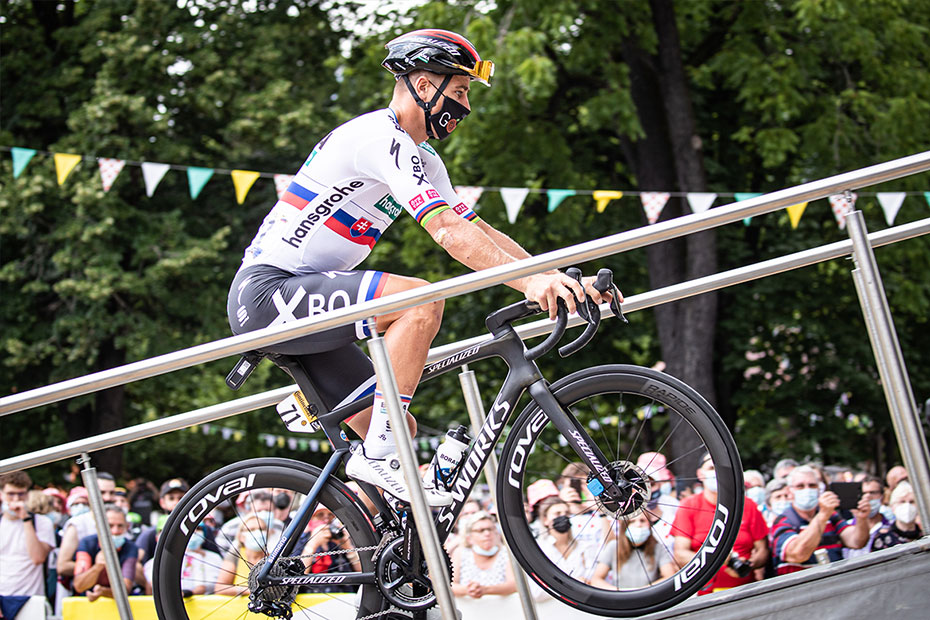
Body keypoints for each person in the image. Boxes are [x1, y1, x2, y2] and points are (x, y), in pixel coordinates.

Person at [226, 28, 618, 507]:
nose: (466, 107)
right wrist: (533, 282)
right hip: (268, 294)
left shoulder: (422, 158)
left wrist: (558, 278)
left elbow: (479, 231)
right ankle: (378, 459)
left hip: (303, 301)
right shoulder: (379, 137)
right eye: (459, 91)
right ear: (424, 86)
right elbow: (447, 233)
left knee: (397, 427)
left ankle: (382, 555)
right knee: (421, 301)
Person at [672, 453, 769, 594]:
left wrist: (750, 563)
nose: (716, 473)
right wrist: (718, 559)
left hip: (746, 591)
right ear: (700, 473)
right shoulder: (688, 506)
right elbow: (680, 554)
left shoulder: (747, 505)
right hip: (706, 596)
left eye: (720, 469)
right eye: (711, 468)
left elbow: (763, 550)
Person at [769, 465, 870, 574]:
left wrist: (861, 519)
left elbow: (857, 542)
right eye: (800, 486)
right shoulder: (783, 521)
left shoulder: (832, 516)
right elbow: (797, 554)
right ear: (790, 491)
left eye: (812, 485)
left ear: (819, 488)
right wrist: (822, 516)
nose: (807, 490)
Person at [0, 471, 56, 597]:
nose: (16, 499)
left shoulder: (41, 522)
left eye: (21, 494)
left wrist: (25, 519)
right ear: (1, 495)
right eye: (11, 494)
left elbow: (38, 558)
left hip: (32, 597)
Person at [591, 512, 675, 589]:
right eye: (632, 521)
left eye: (642, 521)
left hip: (648, 598)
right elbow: (596, 579)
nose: (638, 524)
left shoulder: (658, 548)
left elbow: (669, 577)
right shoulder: (614, 546)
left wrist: (644, 591)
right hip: (620, 599)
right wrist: (618, 592)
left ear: (649, 524)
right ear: (625, 525)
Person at [72, 506, 139, 602]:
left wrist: (103, 592)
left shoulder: (130, 548)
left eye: (120, 526)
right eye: (110, 526)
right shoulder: (87, 543)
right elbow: (79, 585)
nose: (115, 531)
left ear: (127, 526)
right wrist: (98, 567)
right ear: (99, 527)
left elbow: (126, 588)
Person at [451, 511, 516, 603]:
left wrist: (485, 590)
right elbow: (450, 585)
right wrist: (468, 590)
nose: (487, 534)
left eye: (490, 529)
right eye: (481, 530)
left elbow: (515, 585)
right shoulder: (460, 553)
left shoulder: (507, 553)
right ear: (469, 538)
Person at [534, 497, 598, 583]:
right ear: (545, 520)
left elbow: (593, 578)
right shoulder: (540, 548)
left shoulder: (584, 546)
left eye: (567, 513)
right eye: (557, 513)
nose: (563, 516)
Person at [136, 478, 190, 563]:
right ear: (162, 502)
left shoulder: (200, 529)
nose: (177, 502)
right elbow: (137, 561)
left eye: (181, 498)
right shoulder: (149, 534)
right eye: (171, 498)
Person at [843, 476, 890, 559]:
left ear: (882, 496)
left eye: (873, 493)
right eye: (863, 493)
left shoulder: (891, 525)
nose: (867, 497)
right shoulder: (846, 528)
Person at [872, 481, 922, 551]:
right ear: (892, 506)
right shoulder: (882, 539)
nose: (907, 506)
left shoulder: (924, 534)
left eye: (912, 502)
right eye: (902, 502)